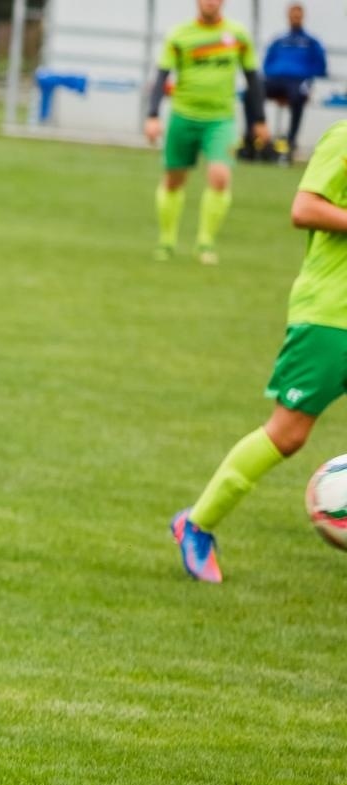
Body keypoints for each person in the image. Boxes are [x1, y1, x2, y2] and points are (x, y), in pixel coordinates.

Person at [171, 121, 347, 582]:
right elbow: (304, 208)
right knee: (288, 434)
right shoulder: (344, 140)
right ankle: (197, 524)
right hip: (330, 317)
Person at [144, 0, 268, 266]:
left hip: (221, 120)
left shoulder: (238, 35)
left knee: (220, 177)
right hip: (183, 117)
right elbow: (162, 76)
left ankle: (205, 243)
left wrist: (259, 119)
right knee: (174, 180)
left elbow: (253, 78)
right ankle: (167, 241)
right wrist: (152, 115)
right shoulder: (179, 35)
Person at [263, 4, 328, 164]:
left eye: (298, 16)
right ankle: (258, 139)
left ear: (303, 17)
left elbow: (321, 66)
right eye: (293, 15)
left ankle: (290, 142)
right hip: (276, 80)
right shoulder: (279, 41)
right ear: (288, 16)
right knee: (252, 91)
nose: (295, 18)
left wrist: (307, 77)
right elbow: (266, 64)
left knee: (298, 95)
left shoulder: (311, 42)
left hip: (298, 81)